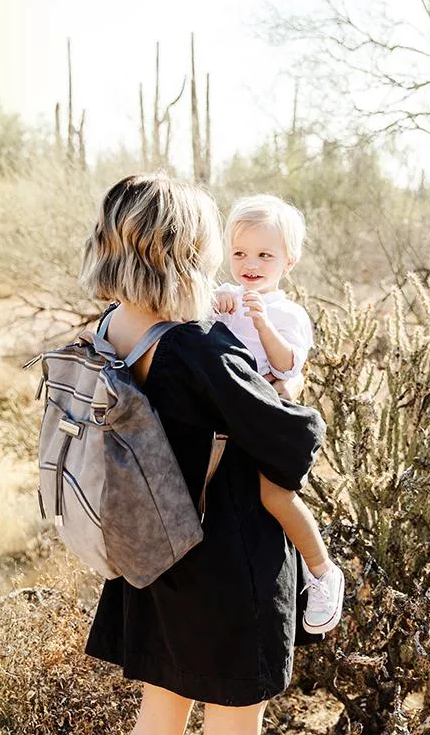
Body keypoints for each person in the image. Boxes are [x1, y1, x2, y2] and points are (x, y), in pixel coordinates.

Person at [80, 173, 326, 735]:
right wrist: (293, 386)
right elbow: (292, 438)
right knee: (234, 721)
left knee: (160, 713)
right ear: (186, 247)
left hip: (153, 548)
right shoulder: (196, 345)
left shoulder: (113, 325)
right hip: (227, 556)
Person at [213, 195, 344, 635]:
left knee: (275, 496)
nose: (251, 263)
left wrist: (263, 324)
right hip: (229, 425)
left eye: (265, 254)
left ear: (289, 261)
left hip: (267, 421)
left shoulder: (288, 313)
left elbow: (288, 367)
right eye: (240, 253)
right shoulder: (224, 298)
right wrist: (216, 304)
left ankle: (322, 572)